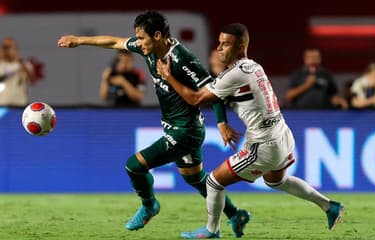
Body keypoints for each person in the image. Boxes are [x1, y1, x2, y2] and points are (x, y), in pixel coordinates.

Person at [57, 10, 250, 236]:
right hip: (177, 127)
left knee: (134, 167)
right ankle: (236, 215)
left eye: (142, 38)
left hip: (185, 132)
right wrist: (79, 40)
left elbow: (212, 89)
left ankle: (149, 206)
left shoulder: (182, 58)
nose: (138, 43)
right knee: (195, 179)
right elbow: (114, 42)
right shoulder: (147, 48)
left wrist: (221, 123)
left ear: (157, 35)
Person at [157, 23, 344, 238]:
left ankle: (211, 230)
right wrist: (222, 122)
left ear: (241, 46)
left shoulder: (234, 74)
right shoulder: (253, 66)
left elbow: (196, 98)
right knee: (276, 180)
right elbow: (226, 95)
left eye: (225, 44)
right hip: (282, 133)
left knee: (213, 182)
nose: (219, 48)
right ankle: (329, 206)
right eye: (219, 43)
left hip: (263, 144)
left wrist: (168, 76)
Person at [0, 37, 36, 106]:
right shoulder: (1, 64)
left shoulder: (24, 64)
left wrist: (20, 63)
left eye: (11, 47)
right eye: (5, 47)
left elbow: (32, 79)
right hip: (2, 104)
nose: (8, 50)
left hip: (20, 104)